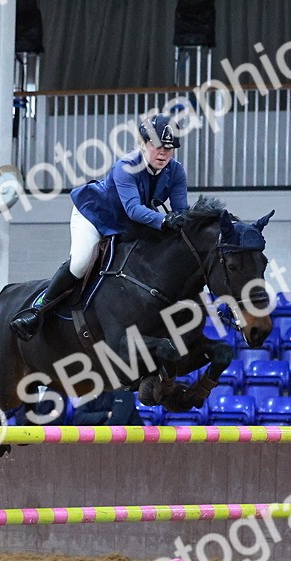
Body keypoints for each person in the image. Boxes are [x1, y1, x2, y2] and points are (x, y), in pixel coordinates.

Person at [10, 113, 190, 340]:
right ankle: (38, 311)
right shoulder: (126, 166)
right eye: (157, 146)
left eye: (169, 148)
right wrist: (165, 221)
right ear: (142, 144)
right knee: (81, 262)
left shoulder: (176, 171)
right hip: (95, 216)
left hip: (131, 225)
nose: (163, 153)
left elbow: (181, 210)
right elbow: (133, 209)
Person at [70, 390, 143, 426]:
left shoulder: (124, 391)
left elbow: (117, 422)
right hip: (98, 441)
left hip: (130, 444)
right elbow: (78, 418)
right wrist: (106, 414)